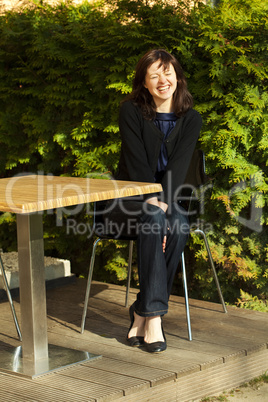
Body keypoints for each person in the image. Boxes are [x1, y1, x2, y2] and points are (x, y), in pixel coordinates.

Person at [100, 49, 202, 353]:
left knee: (178, 224)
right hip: (127, 202)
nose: (162, 80)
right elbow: (136, 162)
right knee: (158, 218)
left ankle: (145, 311)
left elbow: (179, 168)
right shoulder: (130, 111)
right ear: (144, 82)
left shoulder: (191, 119)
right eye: (154, 74)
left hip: (168, 202)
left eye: (167, 72)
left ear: (178, 78)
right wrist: (151, 199)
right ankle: (154, 316)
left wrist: (163, 202)